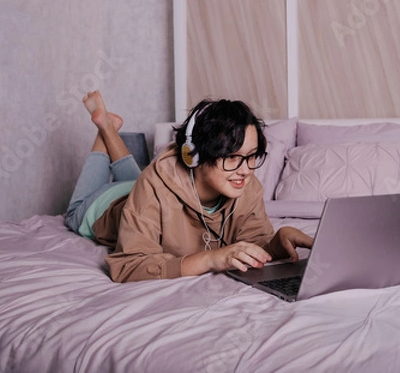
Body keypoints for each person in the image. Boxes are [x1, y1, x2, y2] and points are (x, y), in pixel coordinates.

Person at [66, 90, 313, 283]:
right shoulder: (154, 187)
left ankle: (109, 127)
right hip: (105, 205)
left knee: (140, 180)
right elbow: (130, 265)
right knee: (74, 211)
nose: (246, 170)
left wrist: (276, 243)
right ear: (192, 156)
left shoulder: (246, 185)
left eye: (251, 157)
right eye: (232, 157)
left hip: (140, 189)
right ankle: (104, 131)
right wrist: (210, 259)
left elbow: (251, 243)